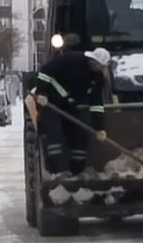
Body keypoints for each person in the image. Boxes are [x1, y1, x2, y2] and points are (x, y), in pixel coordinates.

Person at [34, 37, 111, 176]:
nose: (97, 68)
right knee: (54, 136)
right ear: (91, 60)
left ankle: (77, 174)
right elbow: (45, 71)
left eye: (100, 67)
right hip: (50, 104)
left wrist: (100, 128)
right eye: (96, 64)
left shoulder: (97, 78)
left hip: (70, 107)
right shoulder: (70, 59)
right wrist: (42, 92)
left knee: (80, 135)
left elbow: (96, 104)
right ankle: (55, 174)